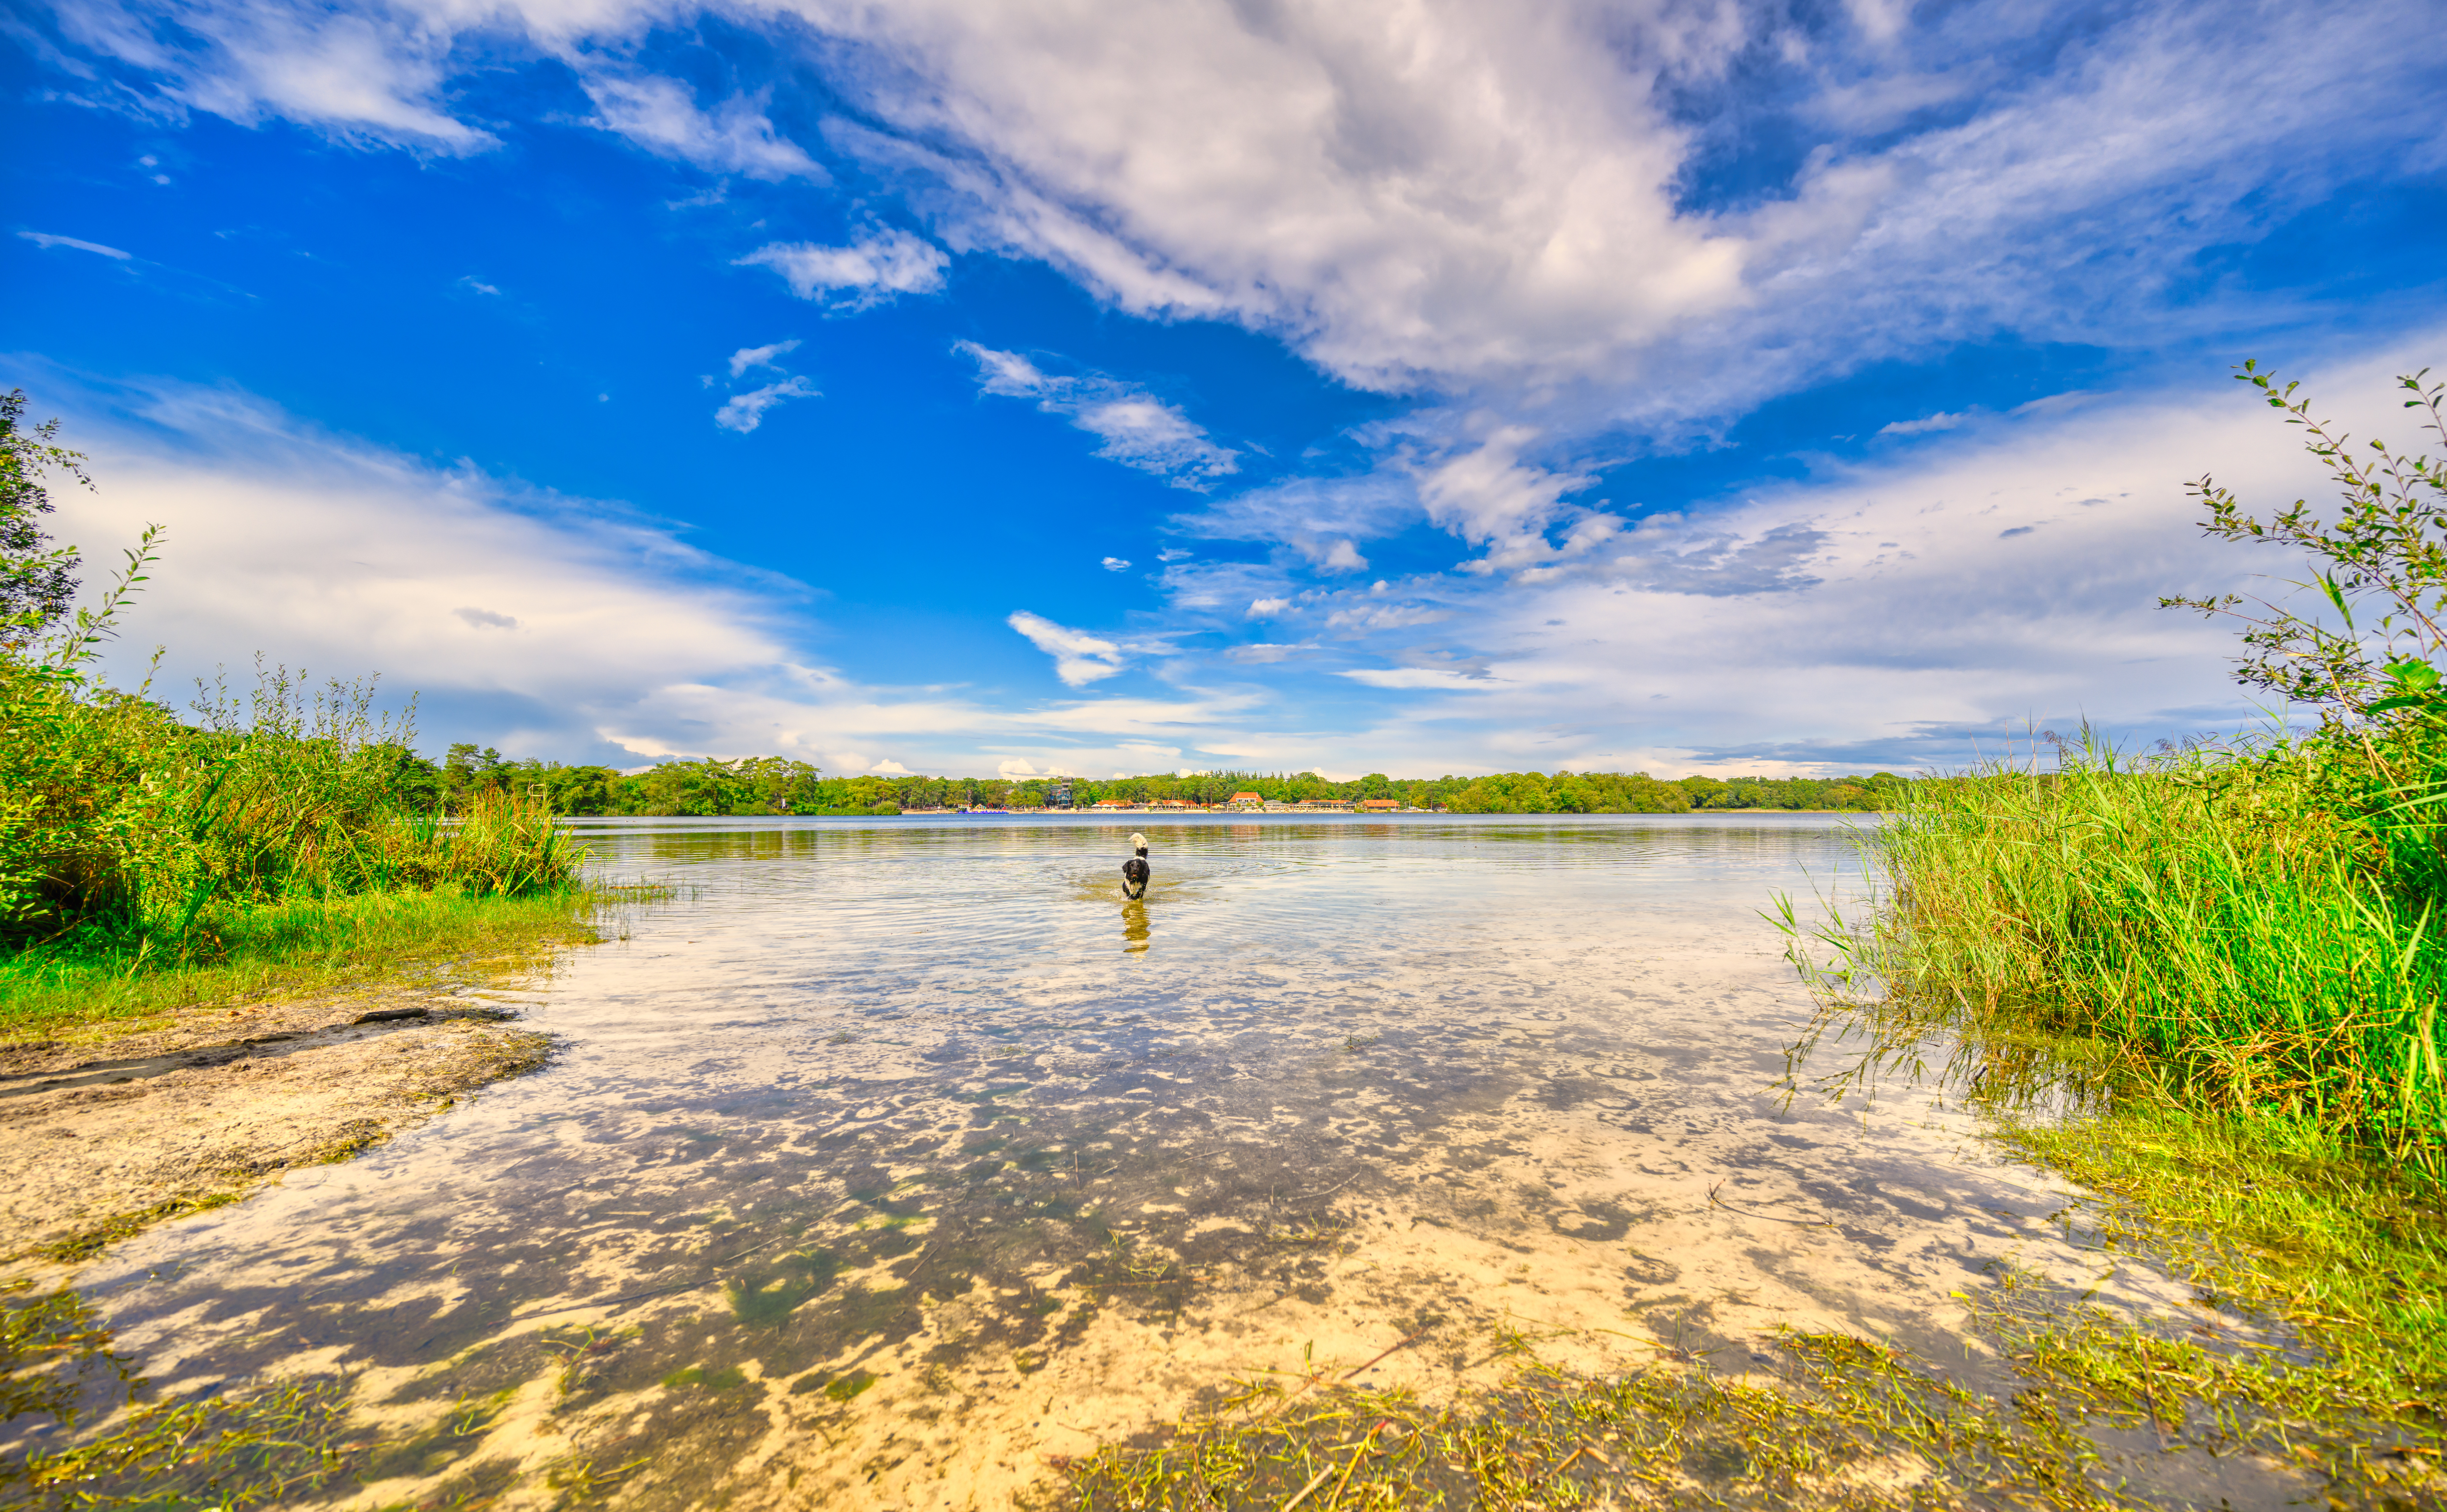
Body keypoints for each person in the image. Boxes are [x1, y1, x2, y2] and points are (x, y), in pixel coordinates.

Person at [1121, 832, 1151, 900]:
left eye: (1138, 867)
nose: (1135, 869)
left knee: (1139, 896)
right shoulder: (1127, 879)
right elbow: (1124, 888)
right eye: (1131, 866)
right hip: (1131, 879)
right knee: (1129, 896)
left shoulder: (1144, 878)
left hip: (1142, 878)